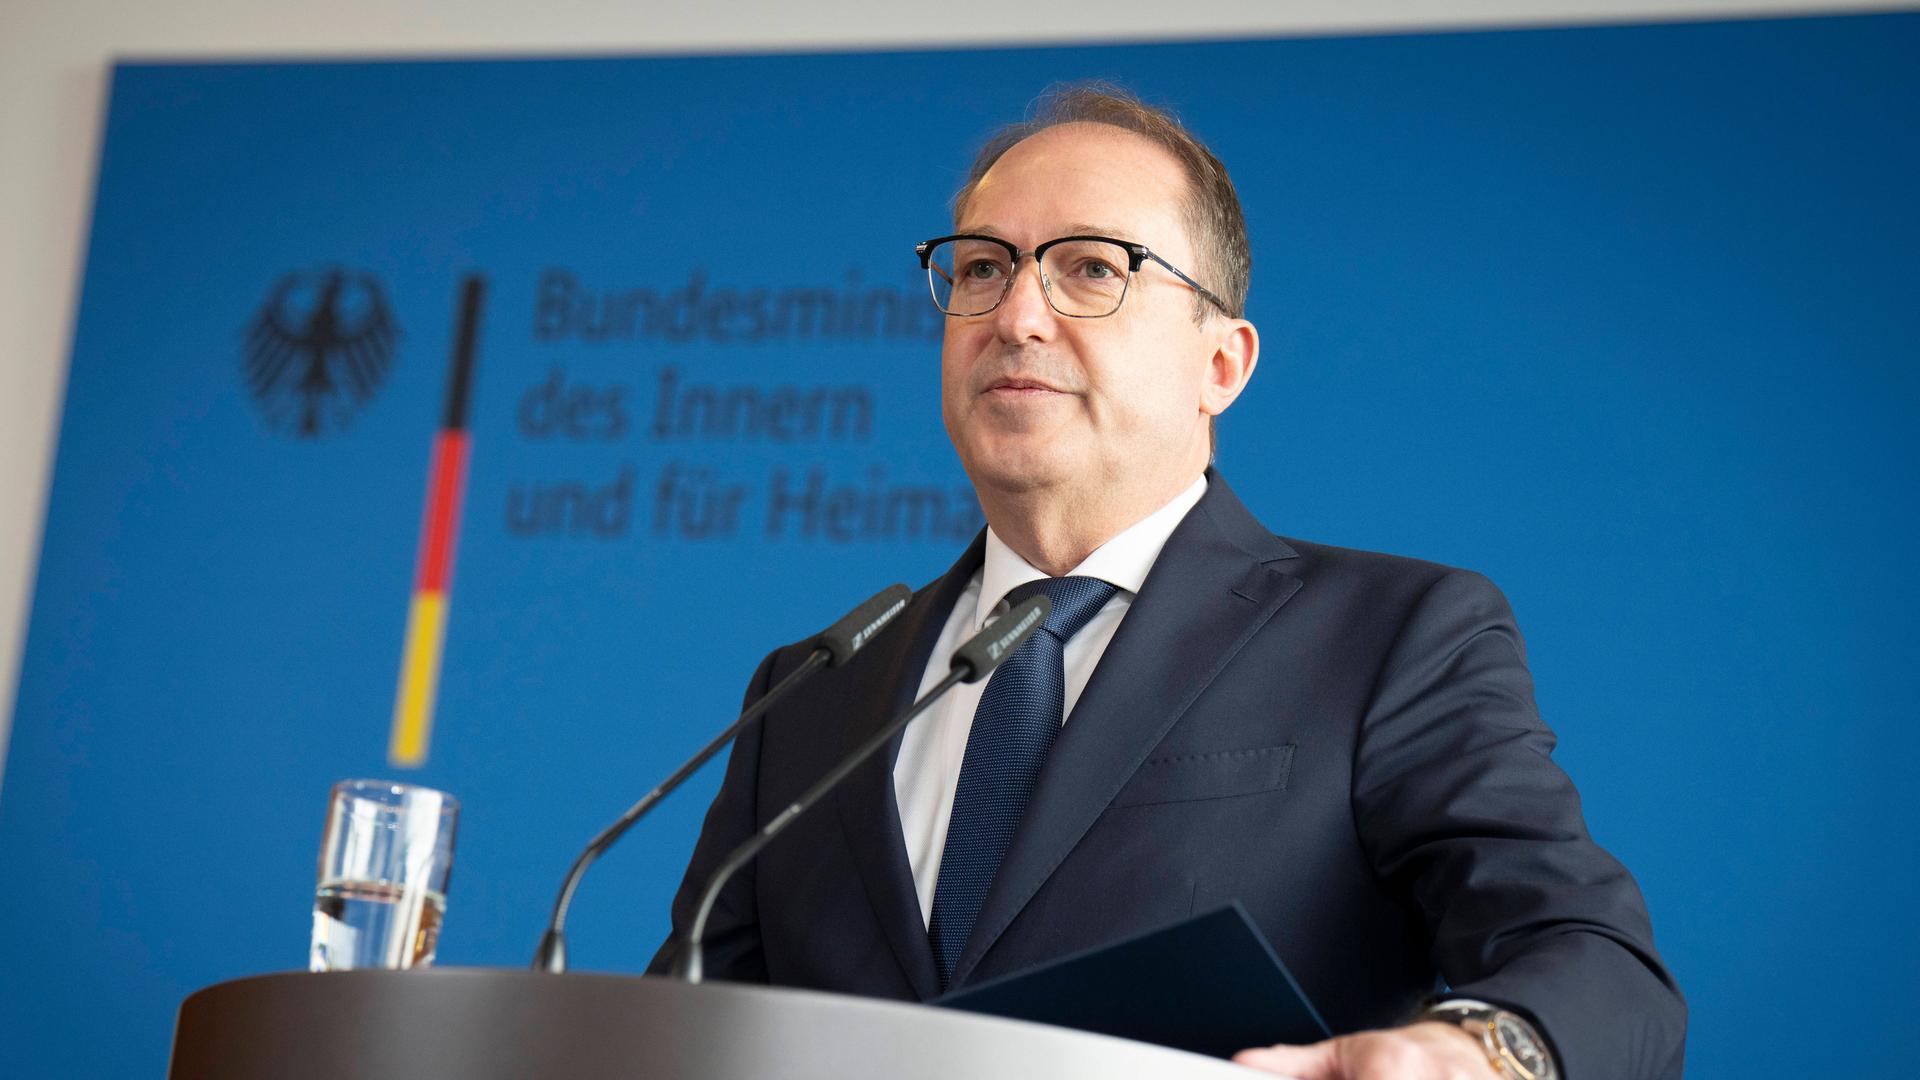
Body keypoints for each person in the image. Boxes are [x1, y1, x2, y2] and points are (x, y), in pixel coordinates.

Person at [651, 85, 1686, 1079]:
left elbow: (1588, 955)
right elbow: (680, 1036)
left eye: (1092, 269)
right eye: (979, 269)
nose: (1015, 316)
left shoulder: (1392, 640)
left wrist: (1471, 1054)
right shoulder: (813, 696)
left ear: (1221, 366)